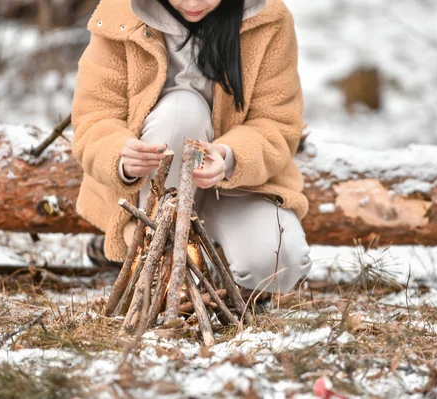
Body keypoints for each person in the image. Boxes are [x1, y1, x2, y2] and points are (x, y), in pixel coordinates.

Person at [71, 0, 312, 295]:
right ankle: (156, 252)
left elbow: (277, 123)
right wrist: (121, 156)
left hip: (238, 184)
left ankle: (219, 269)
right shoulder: (120, 15)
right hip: (156, 190)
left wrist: (229, 156)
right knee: (182, 110)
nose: (194, 3)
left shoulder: (269, 19)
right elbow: (94, 118)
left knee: (280, 265)